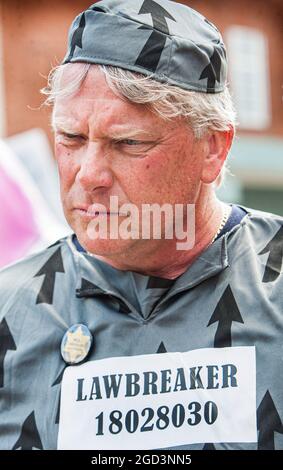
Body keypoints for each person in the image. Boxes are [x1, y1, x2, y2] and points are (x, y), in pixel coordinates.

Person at [0, 0, 282, 451]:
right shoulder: (9, 309)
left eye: (128, 143)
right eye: (71, 138)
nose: (88, 175)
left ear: (213, 148)